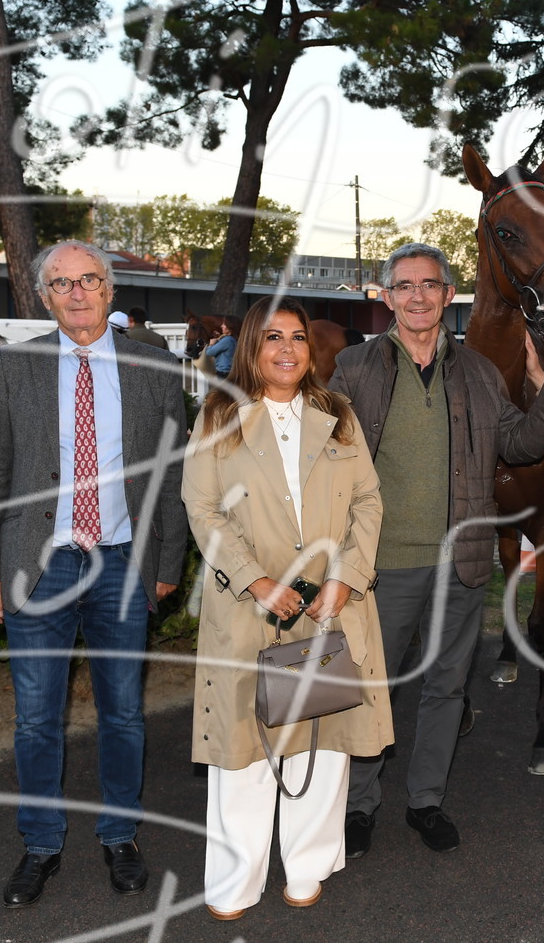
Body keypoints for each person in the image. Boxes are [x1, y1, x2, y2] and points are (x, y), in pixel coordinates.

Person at [329, 243, 544, 858]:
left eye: (429, 285)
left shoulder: (477, 371)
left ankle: (426, 801)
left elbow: (518, 444)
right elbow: (323, 457)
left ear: (448, 295)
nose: (417, 296)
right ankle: (358, 805)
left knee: (445, 688)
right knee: (370, 687)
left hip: (458, 563)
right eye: (404, 285)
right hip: (379, 564)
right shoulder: (354, 368)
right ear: (387, 297)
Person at [0, 240, 188, 908]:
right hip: (37, 565)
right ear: (44, 297)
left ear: (109, 289)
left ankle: (120, 834)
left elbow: (172, 475)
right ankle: (40, 843)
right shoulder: (16, 364)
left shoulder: (157, 368)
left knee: (123, 714)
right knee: (37, 719)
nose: (77, 292)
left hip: (123, 562)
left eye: (89, 279)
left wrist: (167, 565)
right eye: (61, 283)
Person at [183, 296, 390, 917]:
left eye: (297, 337)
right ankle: (235, 881)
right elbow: (202, 507)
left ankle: (307, 867)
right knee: (242, 747)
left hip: (329, 605)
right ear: (251, 345)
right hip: (250, 606)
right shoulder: (219, 414)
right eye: (273, 337)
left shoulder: (337, 414)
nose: (287, 349)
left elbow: (368, 501)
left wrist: (348, 577)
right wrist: (255, 580)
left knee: (323, 742)